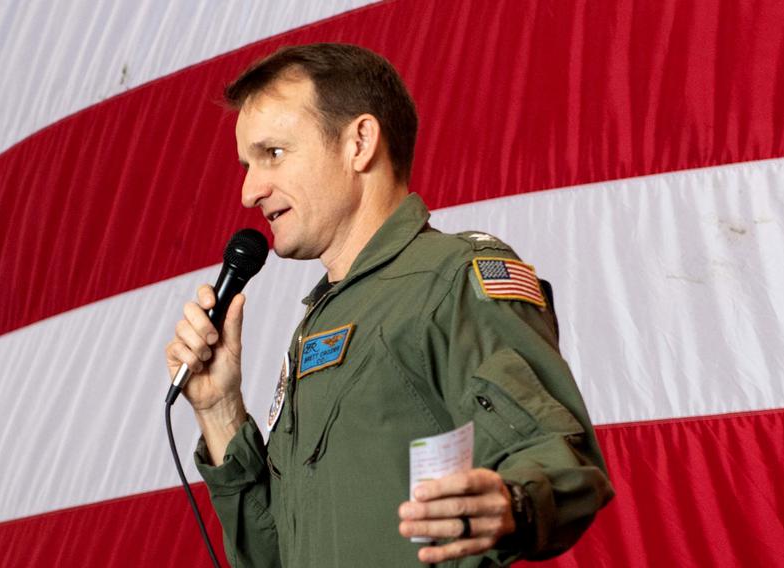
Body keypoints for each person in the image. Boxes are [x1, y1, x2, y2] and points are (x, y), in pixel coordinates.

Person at [166, 43, 614, 567]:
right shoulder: (323, 319)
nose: (249, 191)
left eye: (273, 154)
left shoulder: (450, 279)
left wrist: (514, 501)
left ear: (359, 143)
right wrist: (219, 411)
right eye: (247, 163)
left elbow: (558, 454)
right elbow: (274, 556)